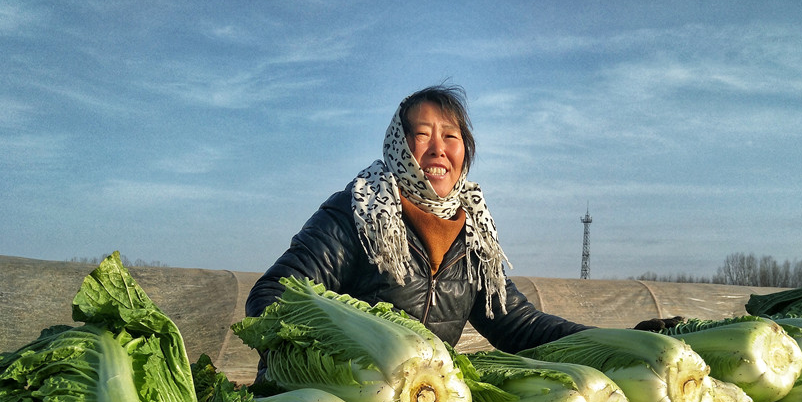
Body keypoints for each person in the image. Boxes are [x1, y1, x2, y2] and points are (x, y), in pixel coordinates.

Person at [244, 84, 592, 354]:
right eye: (423, 134)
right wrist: (342, 359)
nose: (439, 149)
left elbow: (519, 325)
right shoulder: (359, 213)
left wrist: (604, 343)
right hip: (338, 401)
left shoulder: (474, 238)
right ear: (399, 145)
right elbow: (273, 296)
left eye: (451, 136)